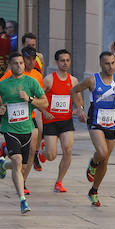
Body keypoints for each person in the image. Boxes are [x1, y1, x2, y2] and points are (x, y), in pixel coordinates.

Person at [0, 51, 48, 214]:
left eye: (21, 63)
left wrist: (30, 99)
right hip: (10, 129)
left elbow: (45, 102)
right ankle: (22, 200)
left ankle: (3, 164)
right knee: (17, 159)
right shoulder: (3, 84)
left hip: (27, 128)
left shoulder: (31, 82)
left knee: (21, 165)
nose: (19, 66)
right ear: (10, 65)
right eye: (16, 63)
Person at [71, 50, 115, 207]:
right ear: (101, 64)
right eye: (107, 64)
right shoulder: (92, 80)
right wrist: (80, 109)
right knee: (101, 153)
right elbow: (74, 90)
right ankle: (92, 164)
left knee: (105, 161)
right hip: (95, 121)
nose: (110, 67)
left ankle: (94, 190)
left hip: (111, 123)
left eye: (113, 63)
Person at [41, 49, 78, 193]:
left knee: (68, 149)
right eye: (62, 60)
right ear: (56, 62)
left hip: (66, 121)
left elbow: (78, 99)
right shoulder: (49, 79)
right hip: (50, 121)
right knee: (51, 156)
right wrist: (44, 112)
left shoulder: (73, 81)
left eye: (67, 60)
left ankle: (59, 181)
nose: (65, 63)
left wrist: (79, 109)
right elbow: (38, 98)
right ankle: (43, 150)